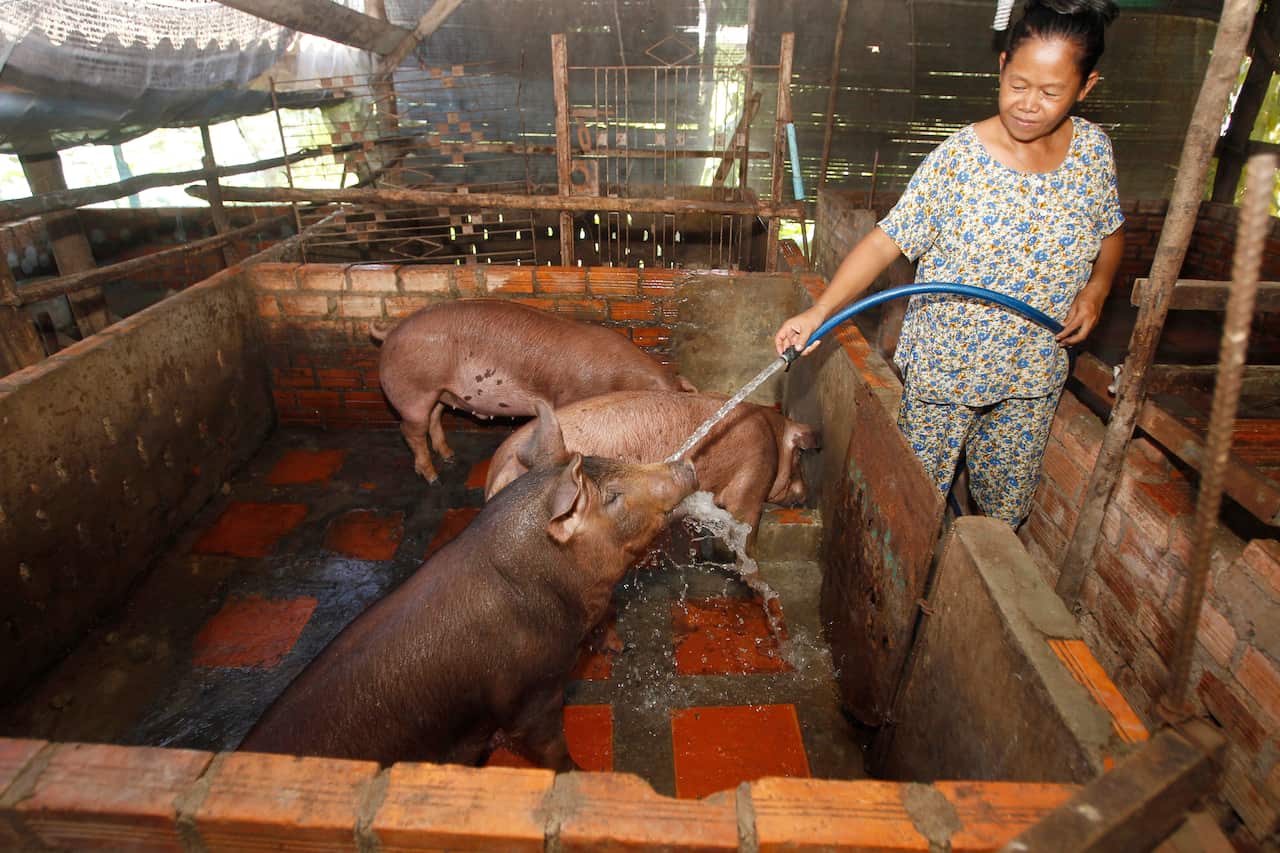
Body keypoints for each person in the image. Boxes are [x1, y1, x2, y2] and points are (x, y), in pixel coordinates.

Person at [774, 0, 1125, 528]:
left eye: (1051, 92)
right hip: (946, 370)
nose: (1029, 104)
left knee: (1005, 508)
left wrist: (1096, 290)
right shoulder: (958, 160)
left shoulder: (1093, 151)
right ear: (1002, 65)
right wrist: (818, 310)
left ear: (1086, 87)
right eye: (1018, 84)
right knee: (914, 505)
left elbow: (1112, 231)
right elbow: (884, 241)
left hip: (1033, 370)